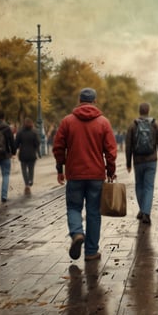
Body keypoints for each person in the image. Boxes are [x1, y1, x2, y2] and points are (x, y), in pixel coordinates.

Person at [53, 88, 117, 262]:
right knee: (94, 213)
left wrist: (61, 168)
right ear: (95, 101)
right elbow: (111, 151)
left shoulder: (67, 121)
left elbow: (58, 147)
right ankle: (91, 252)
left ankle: (76, 233)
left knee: (73, 207)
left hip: (74, 174)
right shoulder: (104, 123)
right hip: (96, 175)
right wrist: (110, 171)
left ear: (79, 100)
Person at [125, 102, 158, 224]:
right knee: (149, 187)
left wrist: (128, 163)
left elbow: (128, 146)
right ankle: (146, 213)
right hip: (151, 160)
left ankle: (143, 210)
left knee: (139, 185)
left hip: (137, 161)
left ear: (139, 111)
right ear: (148, 110)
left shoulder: (133, 125)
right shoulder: (155, 124)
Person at [14, 117, 40, 193]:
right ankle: (30, 180)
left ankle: (26, 184)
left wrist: (14, 151)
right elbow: (37, 143)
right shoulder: (34, 132)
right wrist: (36, 150)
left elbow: (16, 144)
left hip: (23, 154)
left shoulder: (20, 132)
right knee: (31, 169)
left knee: (24, 170)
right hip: (32, 154)